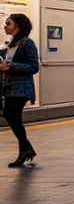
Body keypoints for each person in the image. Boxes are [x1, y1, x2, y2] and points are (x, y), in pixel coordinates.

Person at [2, 14, 39, 166]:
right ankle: (26, 148)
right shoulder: (11, 44)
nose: (5, 26)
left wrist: (12, 66)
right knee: (12, 117)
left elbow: (34, 66)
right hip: (10, 86)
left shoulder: (27, 43)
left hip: (22, 87)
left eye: (8, 23)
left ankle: (25, 149)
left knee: (10, 115)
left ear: (18, 25)